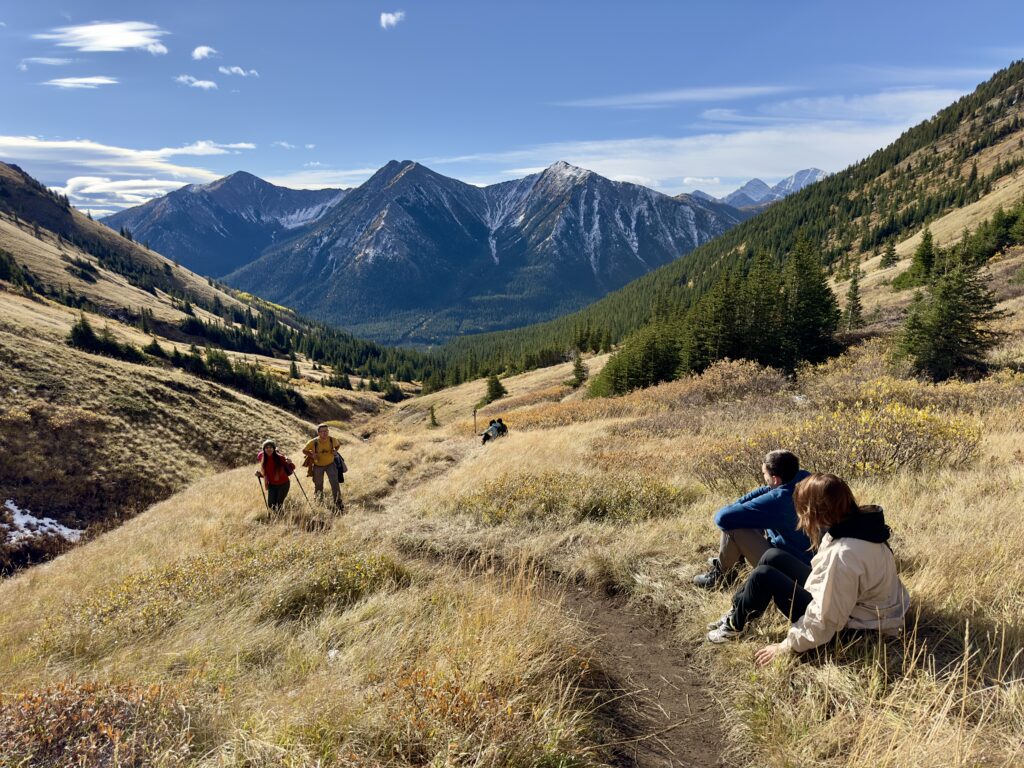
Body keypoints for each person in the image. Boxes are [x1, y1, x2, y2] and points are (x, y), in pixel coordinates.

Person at [707, 473, 910, 666]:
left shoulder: (842, 554)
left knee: (764, 576)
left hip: (857, 629)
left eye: (802, 509)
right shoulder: (860, 527)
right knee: (773, 556)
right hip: (862, 610)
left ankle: (734, 626)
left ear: (817, 512)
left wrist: (786, 645)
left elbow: (825, 619)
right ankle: (737, 610)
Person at [693, 450, 812, 589]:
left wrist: (741, 505)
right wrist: (767, 491)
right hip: (809, 564)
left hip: (791, 573)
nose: (764, 478)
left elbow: (722, 518)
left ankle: (723, 576)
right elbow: (768, 490)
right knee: (746, 518)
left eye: (764, 474)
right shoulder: (806, 479)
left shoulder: (780, 499)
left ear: (775, 480)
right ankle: (732, 562)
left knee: (732, 525)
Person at [302, 424, 343, 510]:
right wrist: (311, 455)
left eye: (326, 431)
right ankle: (319, 503)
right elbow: (304, 450)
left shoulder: (332, 440)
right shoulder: (313, 442)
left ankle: (338, 503)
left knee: (335, 483)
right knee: (318, 485)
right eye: (322, 431)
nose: (325, 433)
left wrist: (335, 451)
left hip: (331, 464)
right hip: (318, 466)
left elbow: (338, 445)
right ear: (318, 433)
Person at [256, 439, 295, 510]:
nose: (269, 449)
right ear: (264, 449)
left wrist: (290, 463)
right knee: (271, 505)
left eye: (271, 447)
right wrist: (259, 474)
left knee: (279, 504)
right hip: (272, 485)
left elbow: (292, 468)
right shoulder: (263, 460)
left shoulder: (280, 457)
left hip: (283, 484)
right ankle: (278, 517)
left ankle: (281, 518)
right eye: (266, 448)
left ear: (274, 449)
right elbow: (267, 474)